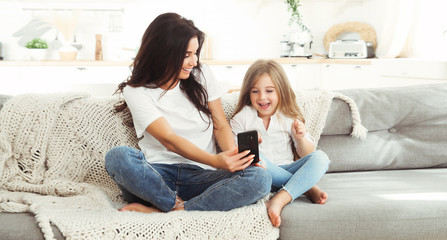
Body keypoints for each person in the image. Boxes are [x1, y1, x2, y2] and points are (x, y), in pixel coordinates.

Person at [104, 12, 271, 213]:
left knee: (260, 178)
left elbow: (220, 125)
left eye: (195, 53)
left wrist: (232, 158)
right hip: (156, 177)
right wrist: (215, 160)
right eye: (186, 55)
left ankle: (177, 209)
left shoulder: (201, 74)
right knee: (118, 157)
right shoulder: (137, 91)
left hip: (202, 176)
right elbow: (169, 139)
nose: (194, 61)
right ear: (163, 53)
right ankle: (174, 202)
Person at [230, 59, 330, 227]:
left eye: (269, 91)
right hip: (261, 173)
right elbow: (236, 155)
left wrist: (300, 138)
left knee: (321, 158)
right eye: (255, 91)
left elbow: (308, 154)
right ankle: (305, 187)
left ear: (281, 91)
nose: (262, 97)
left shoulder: (288, 115)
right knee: (257, 159)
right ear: (248, 93)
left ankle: (280, 199)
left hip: (286, 167)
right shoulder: (242, 118)